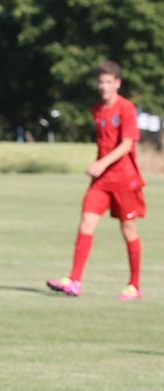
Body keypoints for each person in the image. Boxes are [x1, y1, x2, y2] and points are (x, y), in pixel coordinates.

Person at [47, 60, 146, 301]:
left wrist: (101, 163)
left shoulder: (126, 108)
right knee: (86, 223)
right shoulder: (97, 110)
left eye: (108, 82)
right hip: (101, 182)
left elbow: (127, 144)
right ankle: (75, 280)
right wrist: (100, 168)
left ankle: (134, 286)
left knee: (128, 229)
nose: (103, 86)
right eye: (101, 82)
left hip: (124, 180)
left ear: (117, 83)